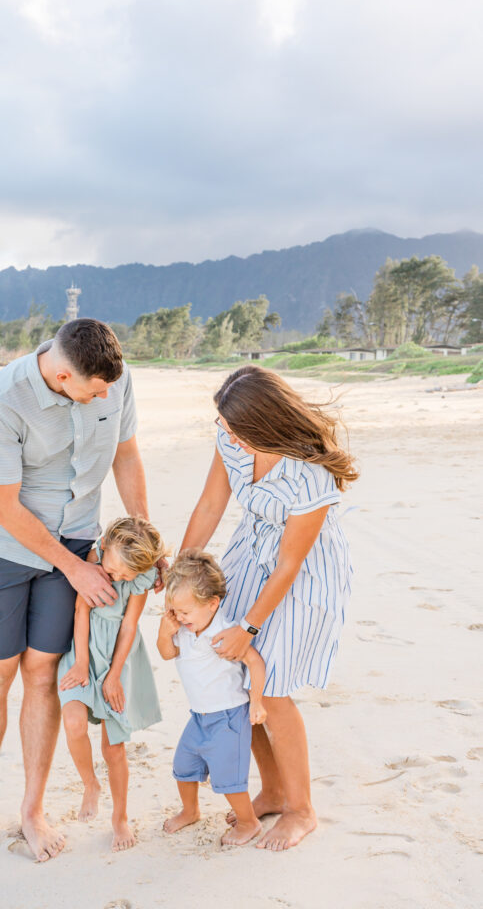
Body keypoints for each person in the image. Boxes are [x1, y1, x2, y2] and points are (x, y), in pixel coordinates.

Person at [0, 319, 166, 863]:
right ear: (62, 374)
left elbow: (126, 455)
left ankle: (32, 811)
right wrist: (75, 570)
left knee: (43, 672)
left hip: (81, 538)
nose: (106, 396)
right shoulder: (1, 402)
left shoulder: (114, 378)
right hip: (5, 547)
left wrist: (145, 543)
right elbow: (3, 506)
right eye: (94, 390)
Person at [180, 365, 358, 852]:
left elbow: (290, 564)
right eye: (223, 424)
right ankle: (274, 789)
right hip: (248, 553)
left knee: (272, 690)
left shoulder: (310, 475)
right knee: (238, 680)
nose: (226, 434)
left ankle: (302, 810)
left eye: (234, 427)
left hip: (303, 574)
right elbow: (210, 506)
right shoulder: (231, 443)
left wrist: (250, 627)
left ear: (266, 424)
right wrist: (182, 574)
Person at [58, 516, 165, 851]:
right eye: (115, 570)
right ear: (103, 548)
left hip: (118, 656)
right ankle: (90, 784)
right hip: (84, 651)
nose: (116, 578)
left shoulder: (140, 579)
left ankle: (120, 817)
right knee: (73, 722)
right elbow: (80, 612)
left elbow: (130, 626)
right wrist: (81, 664)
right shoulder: (94, 561)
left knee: (113, 747)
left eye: (123, 577)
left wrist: (114, 676)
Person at [157, 549, 267, 847]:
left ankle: (248, 822)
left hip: (229, 716)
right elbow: (167, 654)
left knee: (229, 779)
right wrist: (164, 632)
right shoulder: (183, 628)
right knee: (183, 766)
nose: (180, 617)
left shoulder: (222, 632)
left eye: (185, 612)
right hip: (200, 716)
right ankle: (190, 811)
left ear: (212, 604)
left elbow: (255, 663)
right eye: (175, 612)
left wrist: (257, 702)